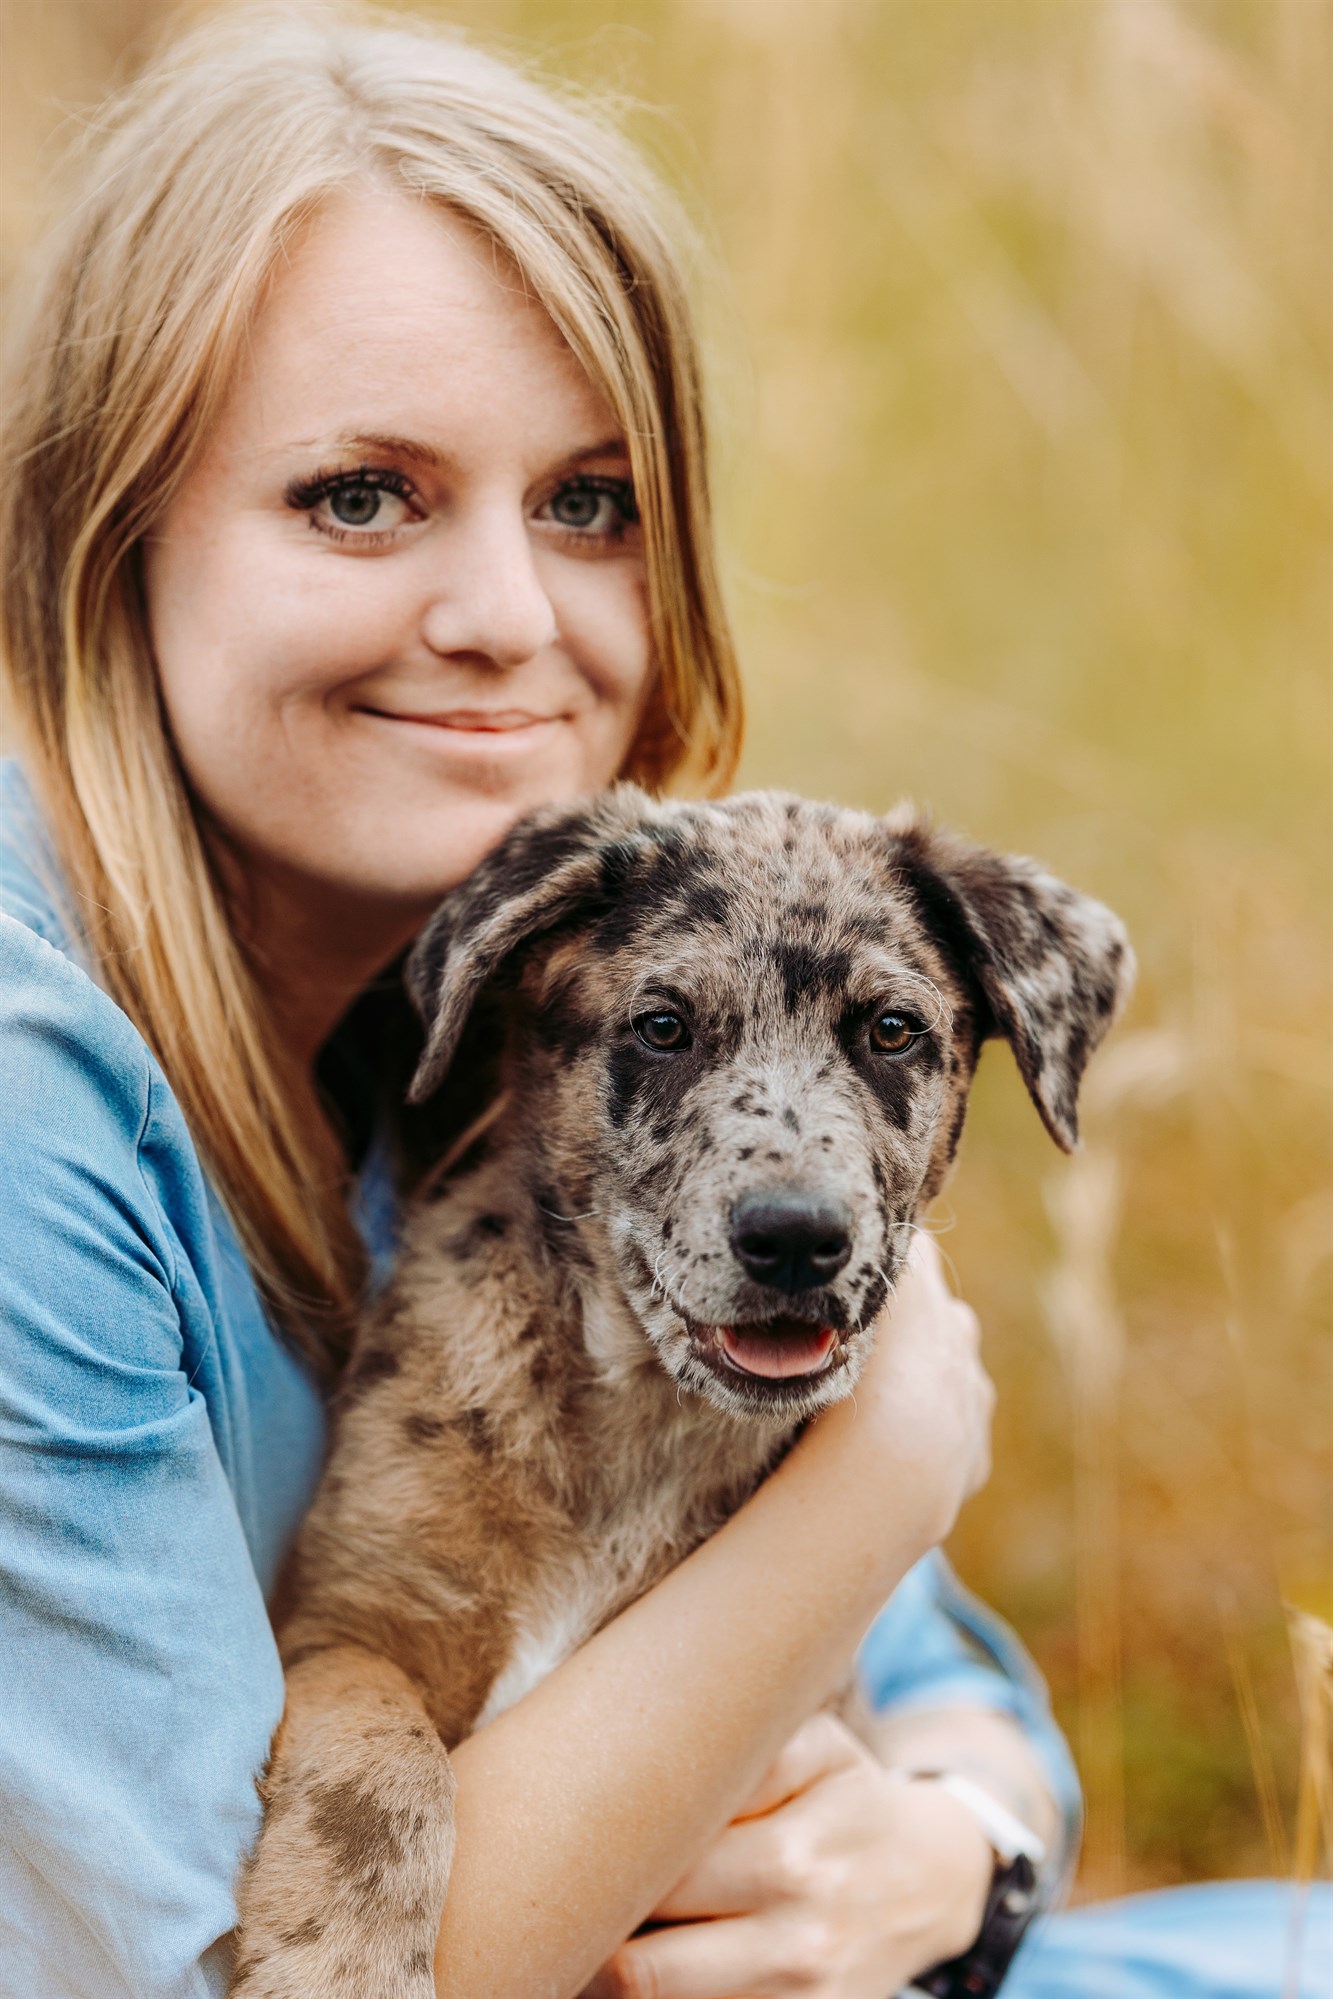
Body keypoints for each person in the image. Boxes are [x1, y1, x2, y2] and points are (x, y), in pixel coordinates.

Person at [1, 12, 1324, 1999]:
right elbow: (194, 1975)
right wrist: (887, 1454)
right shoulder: (42, 1102)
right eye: (360, 494)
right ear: (109, 538)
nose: (509, 619)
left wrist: (948, 1861)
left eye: (591, 502)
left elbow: (953, 1702)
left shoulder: (531, 992)